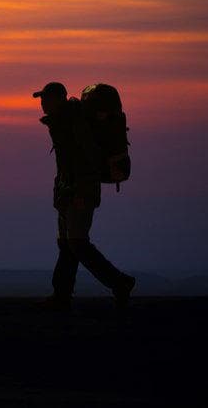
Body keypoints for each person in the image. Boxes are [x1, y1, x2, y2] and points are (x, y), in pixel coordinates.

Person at [34, 82, 135, 310]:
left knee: (78, 244)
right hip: (67, 193)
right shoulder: (63, 122)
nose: (42, 104)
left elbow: (87, 157)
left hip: (80, 193)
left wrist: (80, 192)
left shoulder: (73, 122)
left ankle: (120, 283)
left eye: (46, 99)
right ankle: (61, 296)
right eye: (42, 99)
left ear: (59, 99)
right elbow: (67, 164)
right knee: (67, 245)